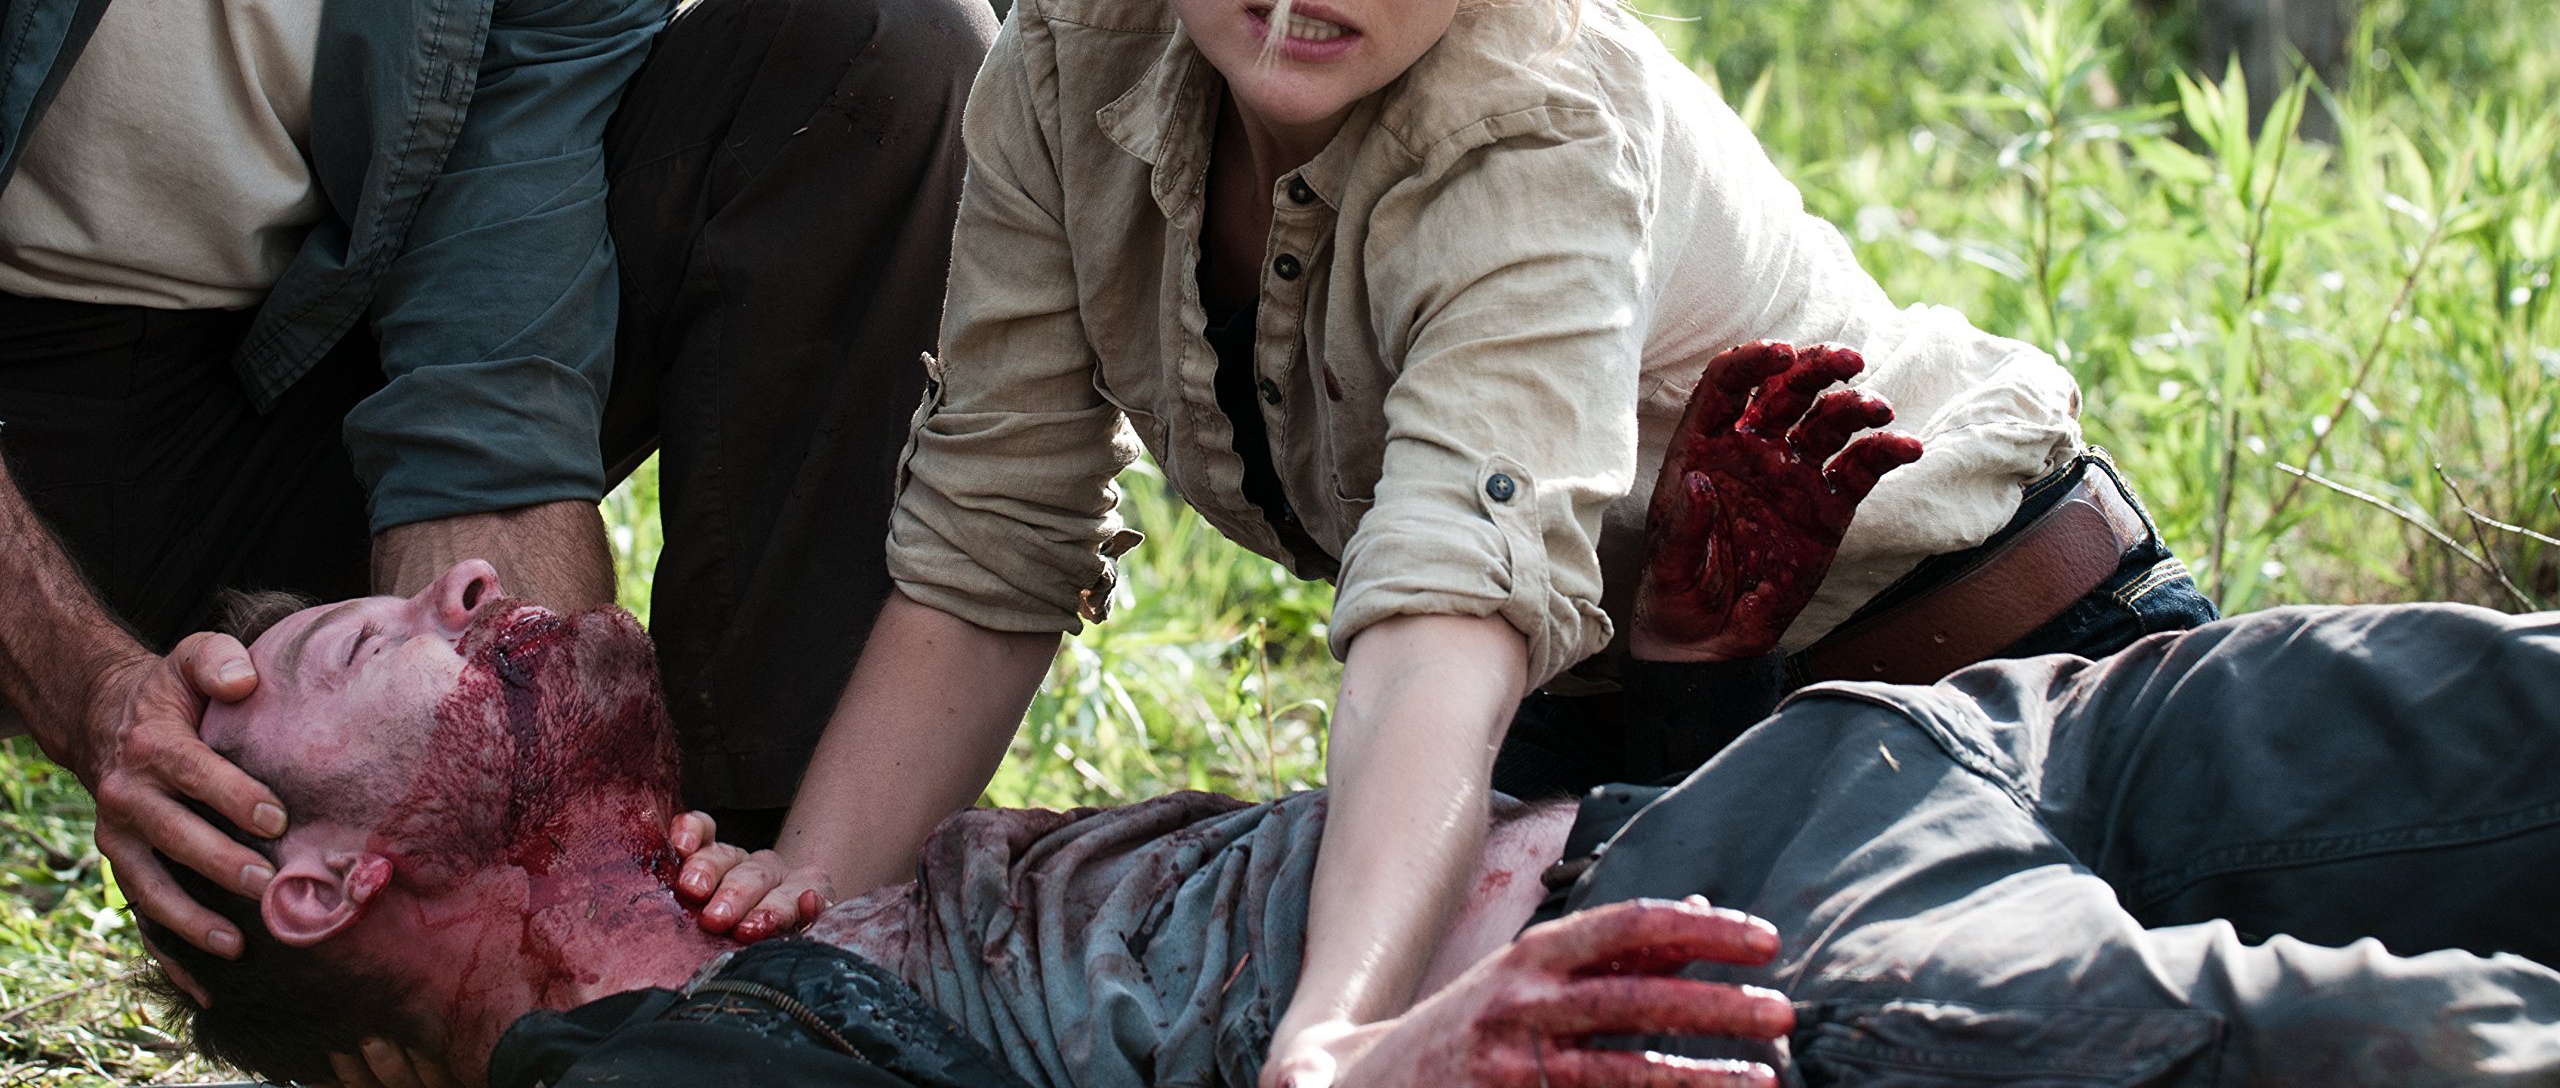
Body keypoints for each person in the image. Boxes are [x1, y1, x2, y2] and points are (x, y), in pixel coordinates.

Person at [759, 0, 2213, 1084]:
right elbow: (997, 528)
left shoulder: (1537, 117)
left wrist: (1336, 1041)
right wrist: (790, 930)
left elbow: (1451, 605)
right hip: (1635, 732)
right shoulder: (1074, 25)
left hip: (2005, 674)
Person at [0, 0, 995, 980]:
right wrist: (94, 687)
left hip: (292, 399)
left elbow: (486, 387)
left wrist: (558, 889)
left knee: (878, 42)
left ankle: (754, 952)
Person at [140, 552, 2560, 1085]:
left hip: (1835, 758)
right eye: (370, 640)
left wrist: (1677, 649)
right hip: (1712, 961)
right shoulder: (632, 1074)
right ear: (326, 876)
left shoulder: (789, 866)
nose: (467, 582)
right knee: (2408, 1044)